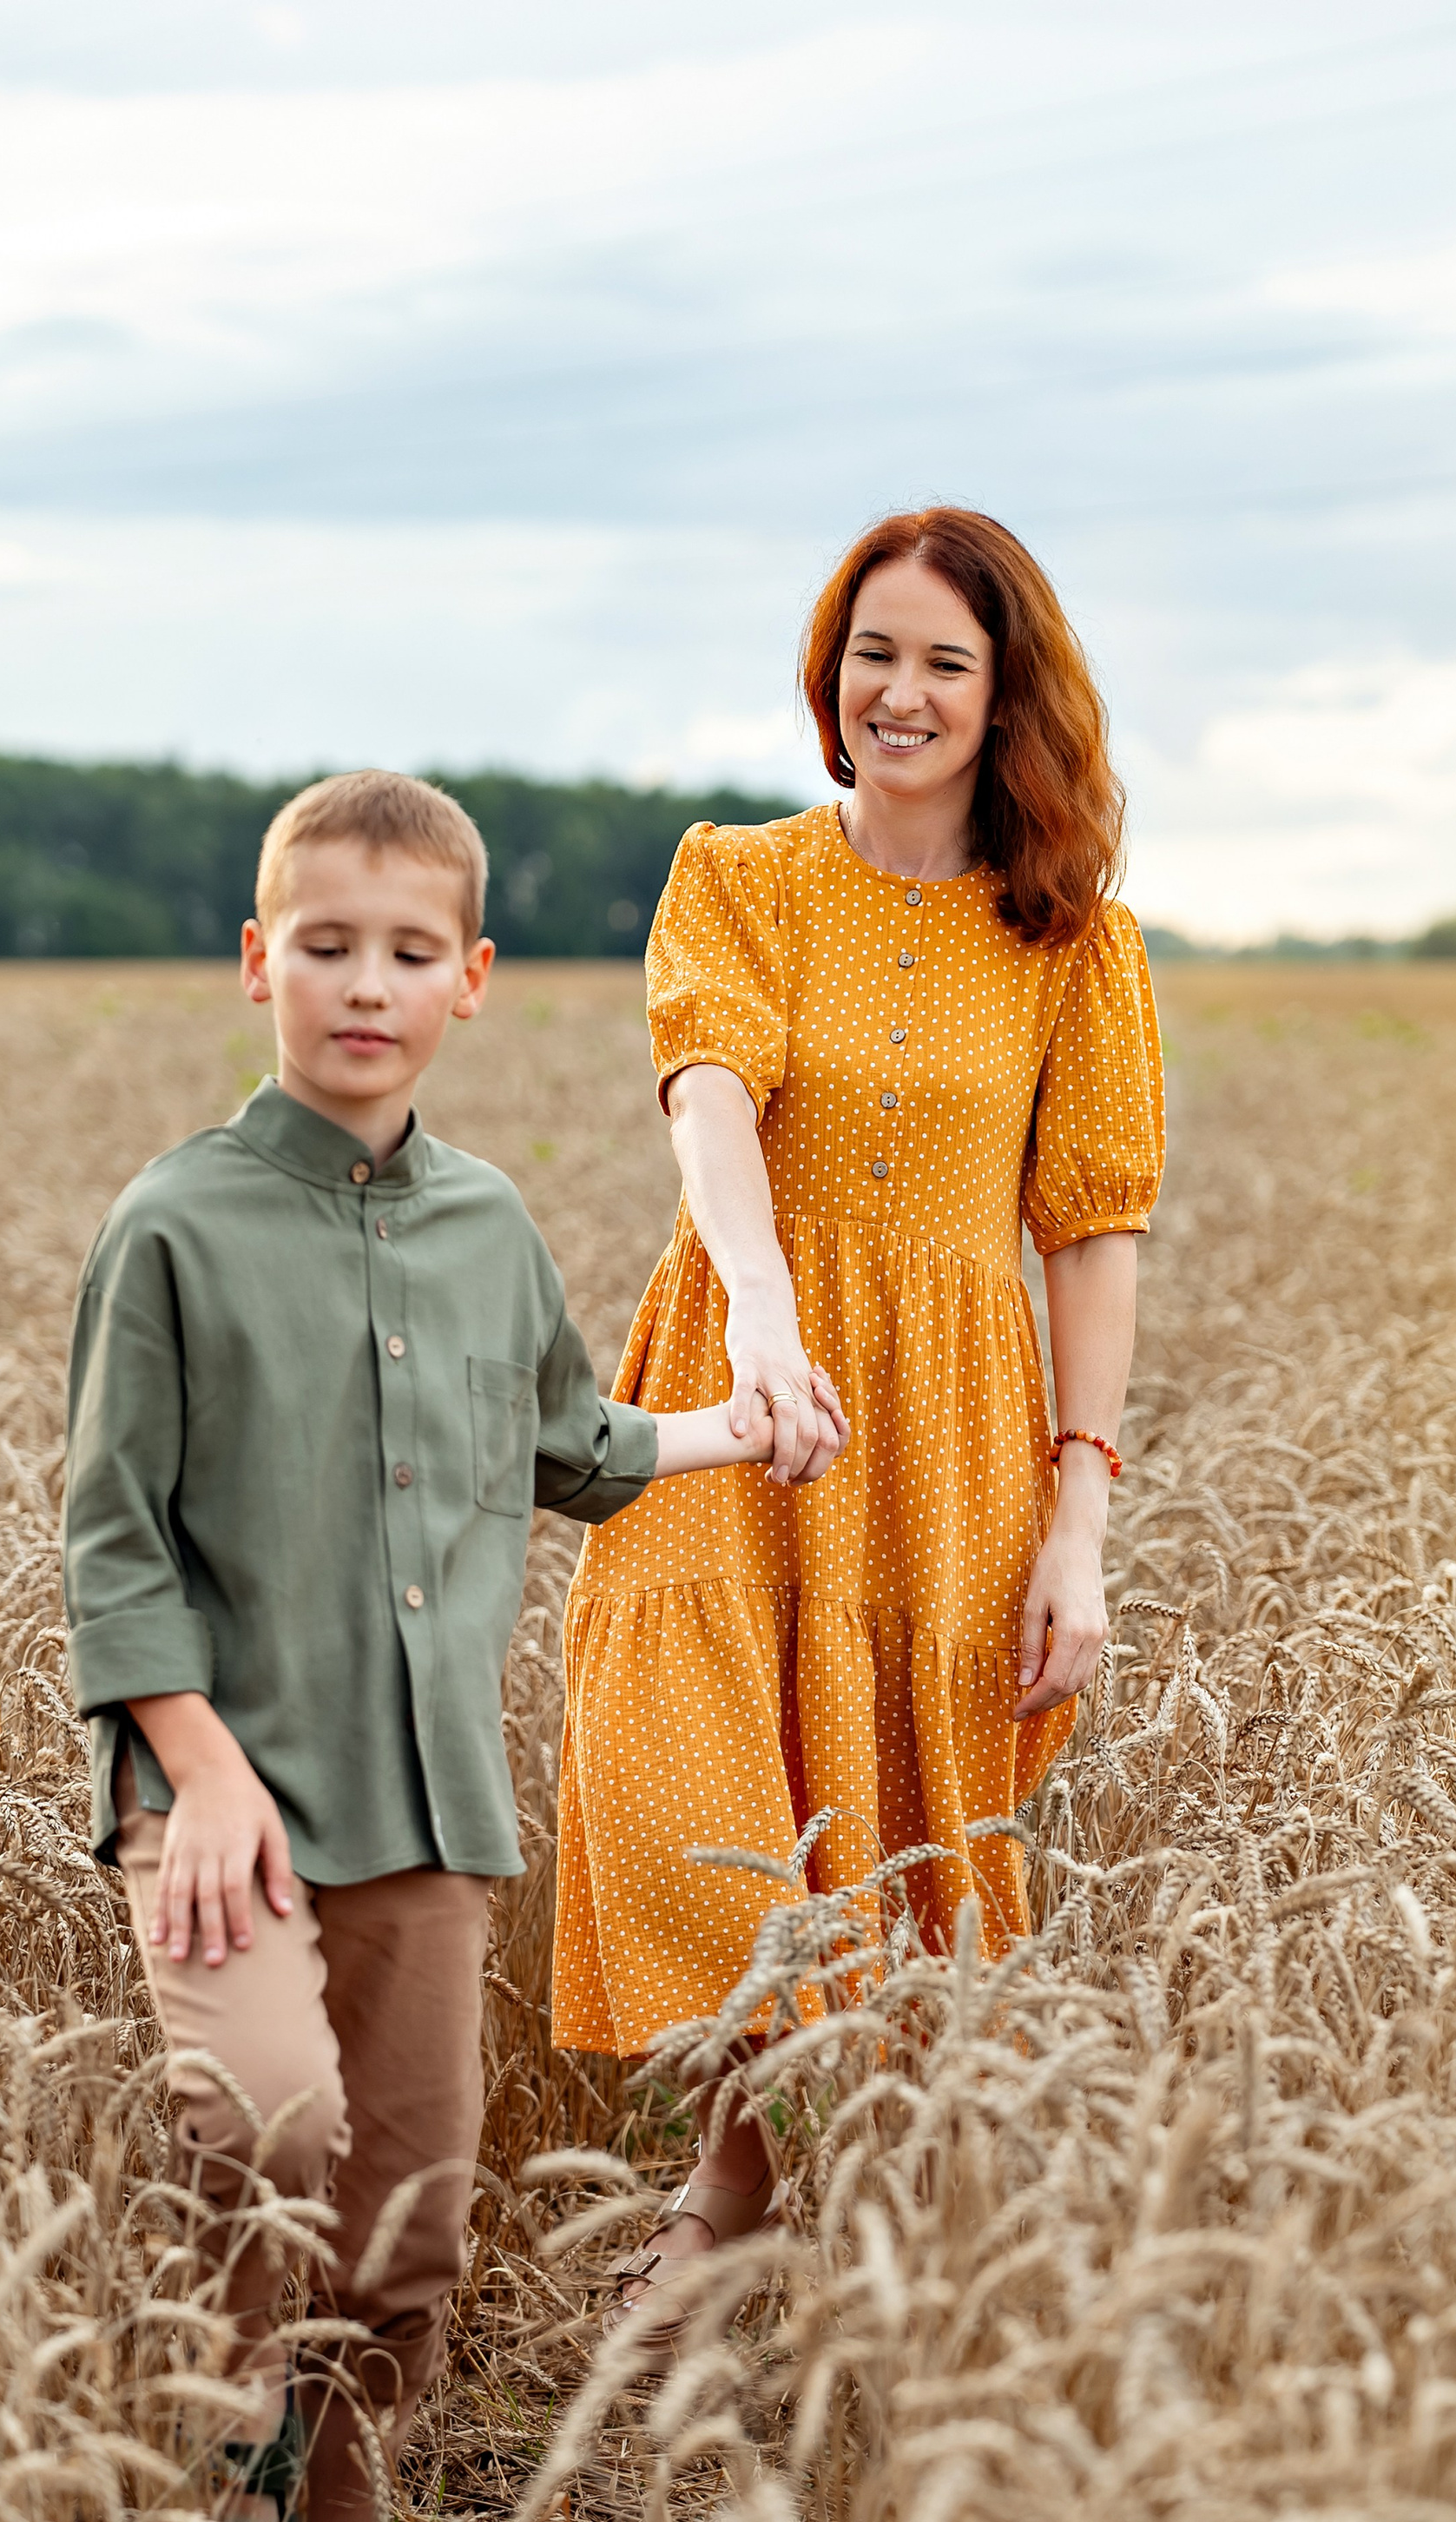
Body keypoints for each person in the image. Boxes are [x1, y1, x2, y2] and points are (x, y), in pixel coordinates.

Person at [58, 771, 841, 2522]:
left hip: (429, 1825)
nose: (361, 987)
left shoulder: (488, 1228)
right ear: (259, 962)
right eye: (324, 948)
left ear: (469, 980)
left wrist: (743, 1423)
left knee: (407, 2243)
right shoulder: (170, 1227)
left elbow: (574, 1445)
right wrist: (200, 1762)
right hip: (222, 1813)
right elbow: (109, 1544)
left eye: (407, 955)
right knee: (266, 2135)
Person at [556, 508, 1165, 2346]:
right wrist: (755, 1306)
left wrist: (1080, 1516)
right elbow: (707, 1096)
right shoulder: (734, 874)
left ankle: (783, 2208)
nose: (894, 692)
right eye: (869, 653)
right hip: (734, 1395)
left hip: (954, 1428)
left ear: (1005, 701)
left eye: (940, 664)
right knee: (677, 1760)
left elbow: (1092, 1232)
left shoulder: (1074, 944)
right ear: (828, 676)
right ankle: (740, 2177)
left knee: (896, 1818)